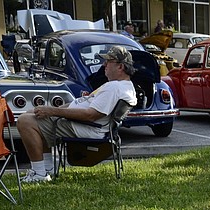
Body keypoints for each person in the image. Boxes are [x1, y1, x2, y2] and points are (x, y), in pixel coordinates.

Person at [16, 46, 138, 183]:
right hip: (85, 125)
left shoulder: (114, 88)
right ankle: (48, 169)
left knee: (25, 121)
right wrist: (51, 110)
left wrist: (52, 111)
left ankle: (39, 173)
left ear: (120, 66)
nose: (104, 65)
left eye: (108, 61)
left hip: (86, 127)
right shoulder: (125, 86)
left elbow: (90, 115)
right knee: (33, 114)